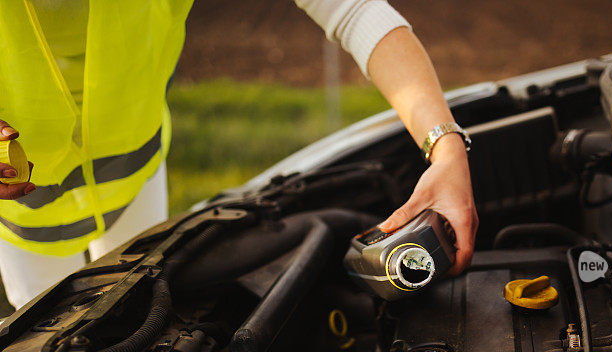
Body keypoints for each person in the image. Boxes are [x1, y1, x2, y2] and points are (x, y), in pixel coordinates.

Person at [0, 1, 476, 311]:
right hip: (22, 218)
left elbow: (352, 9)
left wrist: (446, 148)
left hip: (135, 172)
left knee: (134, 313)